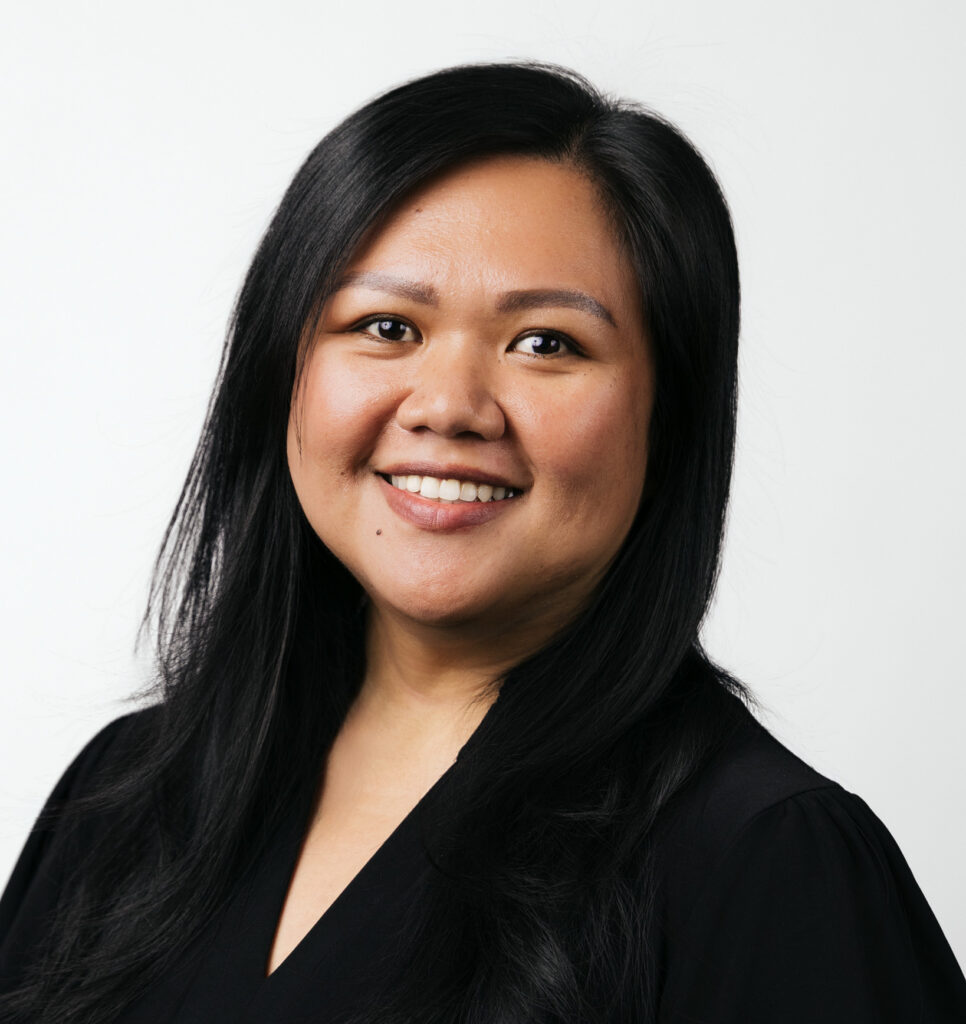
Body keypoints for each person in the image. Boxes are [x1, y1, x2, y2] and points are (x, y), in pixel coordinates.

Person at [0, 60, 964, 1024]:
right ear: (281, 372)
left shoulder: (768, 862)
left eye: (547, 343)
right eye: (386, 326)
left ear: (666, 417)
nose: (449, 407)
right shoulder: (126, 795)